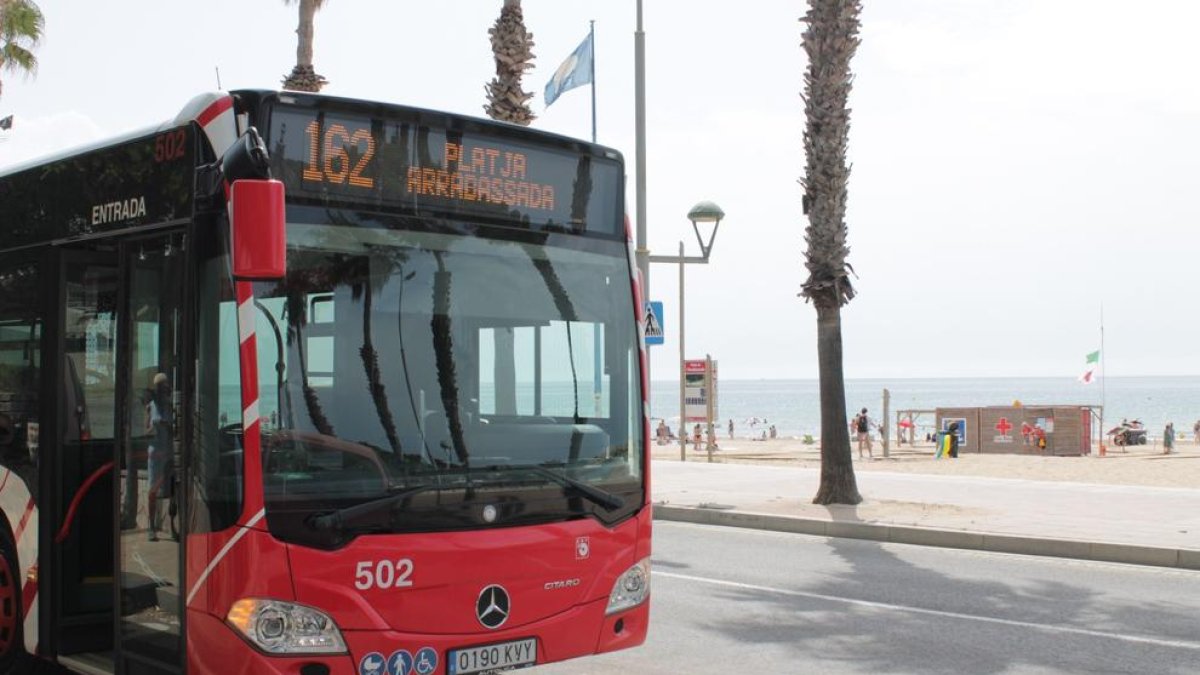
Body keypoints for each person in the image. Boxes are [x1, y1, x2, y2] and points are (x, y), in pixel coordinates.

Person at [146, 373, 174, 541]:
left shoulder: (171, 406)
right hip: (155, 453)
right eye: (159, 388)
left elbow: (175, 431)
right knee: (152, 491)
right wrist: (156, 425)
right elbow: (145, 431)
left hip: (168, 451)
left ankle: (172, 523)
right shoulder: (150, 407)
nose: (161, 391)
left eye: (164, 387)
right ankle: (151, 526)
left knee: (172, 490)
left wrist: (168, 426)